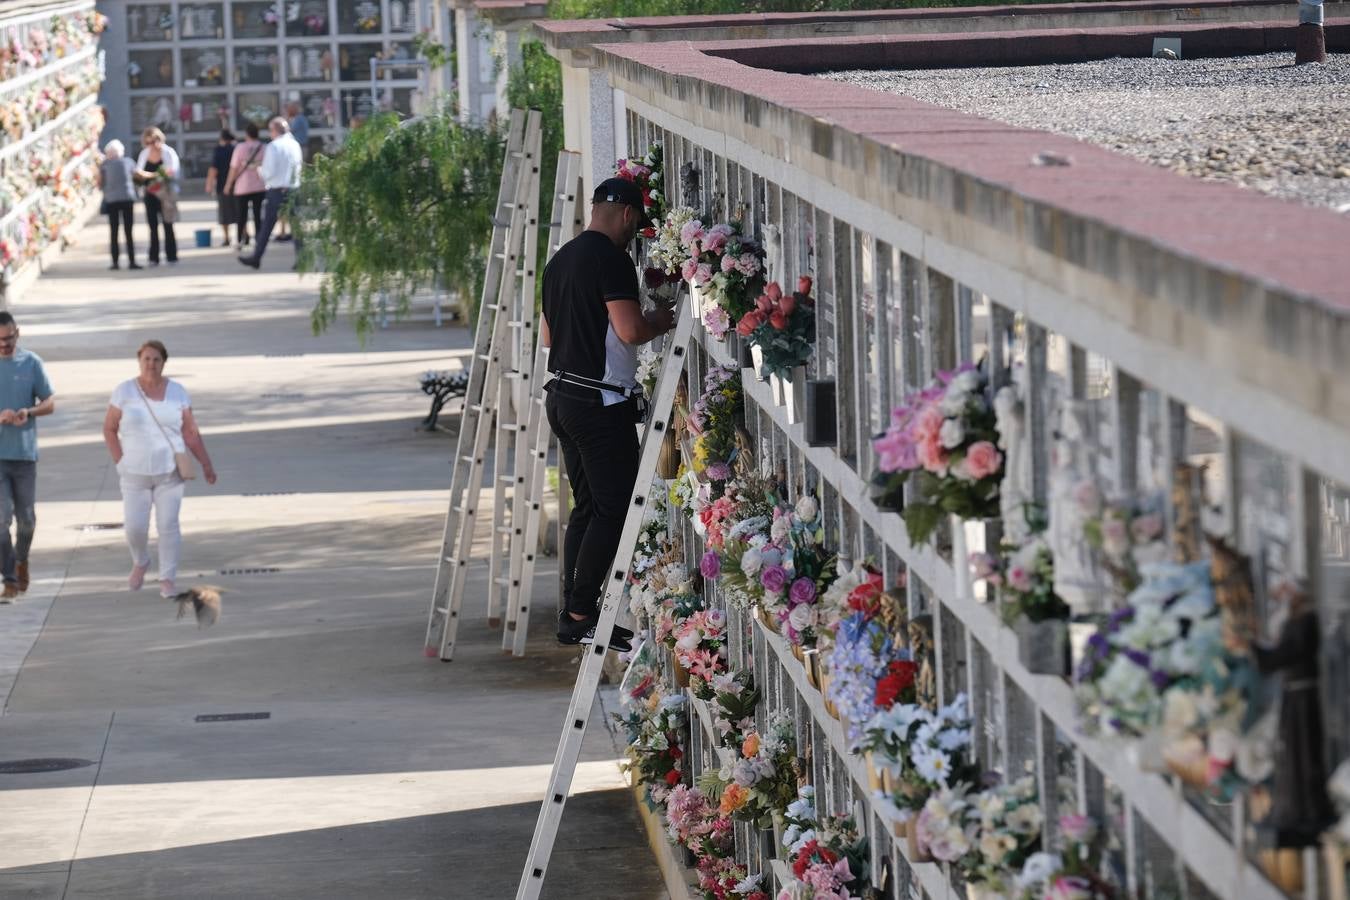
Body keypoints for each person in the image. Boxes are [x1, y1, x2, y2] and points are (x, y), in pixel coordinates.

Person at [541, 177, 675, 650]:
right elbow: (631, 329)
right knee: (615, 507)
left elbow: (547, 337)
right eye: (635, 225)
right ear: (624, 215)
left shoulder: (559, 260)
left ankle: (572, 611)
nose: (633, 235)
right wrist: (666, 317)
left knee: (588, 507)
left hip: (562, 396)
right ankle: (579, 613)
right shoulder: (610, 260)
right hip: (599, 404)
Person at [101, 341, 217, 600]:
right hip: (134, 475)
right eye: (146, 359)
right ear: (139, 361)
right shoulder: (124, 391)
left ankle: (167, 578)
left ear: (164, 363)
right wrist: (120, 461)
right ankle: (141, 561)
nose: (151, 364)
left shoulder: (178, 392)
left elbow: (190, 432)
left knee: (168, 525)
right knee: (135, 528)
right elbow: (109, 428)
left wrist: (206, 463)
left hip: (170, 473)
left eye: (156, 360)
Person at [0, 313, 55, 604]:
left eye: (8, 339)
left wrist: (28, 412)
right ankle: (9, 579)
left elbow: (49, 403)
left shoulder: (31, 363)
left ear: (17, 334)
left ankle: (21, 560)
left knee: (27, 522)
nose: (4, 345)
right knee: (0, 521)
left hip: (23, 455)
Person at [238, 117, 303, 271]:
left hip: (276, 190)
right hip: (293, 189)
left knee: (267, 227)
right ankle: (302, 259)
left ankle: (256, 258)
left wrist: (258, 169)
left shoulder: (273, 146)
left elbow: (269, 172)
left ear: (274, 131)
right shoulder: (295, 144)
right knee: (296, 227)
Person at [134, 127, 180, 266]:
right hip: (150, 193)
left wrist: (155, 175)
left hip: (166, 193)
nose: (152, 145)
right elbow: (138, 172)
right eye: (148, 142)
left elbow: (172, 171)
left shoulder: (168, 152)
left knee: (168, 224)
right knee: (152, 226)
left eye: (154, 141)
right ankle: (154, 257)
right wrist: (149, 177)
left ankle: (171, 256)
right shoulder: (144, 154)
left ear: (160, 140)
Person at [98, 140, 141, 271]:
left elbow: (100, 182)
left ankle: (115, 262)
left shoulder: (104, 165)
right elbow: (138, 176)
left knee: (114, 232)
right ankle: (132, 261)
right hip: (127, 198)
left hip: (111, 200)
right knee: (129, 231)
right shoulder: (128, 162)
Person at [225, 122, 266, 248]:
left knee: (241, 215)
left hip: (242, 186)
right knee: (257, 214)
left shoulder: (240, 147)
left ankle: (239, 240)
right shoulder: (263, 147)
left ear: (247, 134)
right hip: (259, 185)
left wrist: (228, 184)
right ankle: (259, 239)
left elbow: (233, 168)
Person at [276, 101, 310, 242]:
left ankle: (288, 232)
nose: (288, 110)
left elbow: (288, 131)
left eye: (289, 108)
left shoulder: (299, 119)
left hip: (300, 148)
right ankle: (285, 231)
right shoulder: (296, 119)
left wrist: (285, 118)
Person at [204, 129, 241, 247]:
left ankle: (227, 238)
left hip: (222, 185)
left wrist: (209, 185)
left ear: (222, 139)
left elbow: (213, 169)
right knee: (240, 211)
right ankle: (245, 235)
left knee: (224, 214)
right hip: (239, 185)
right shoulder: (238, 149)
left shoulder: (219, 150)